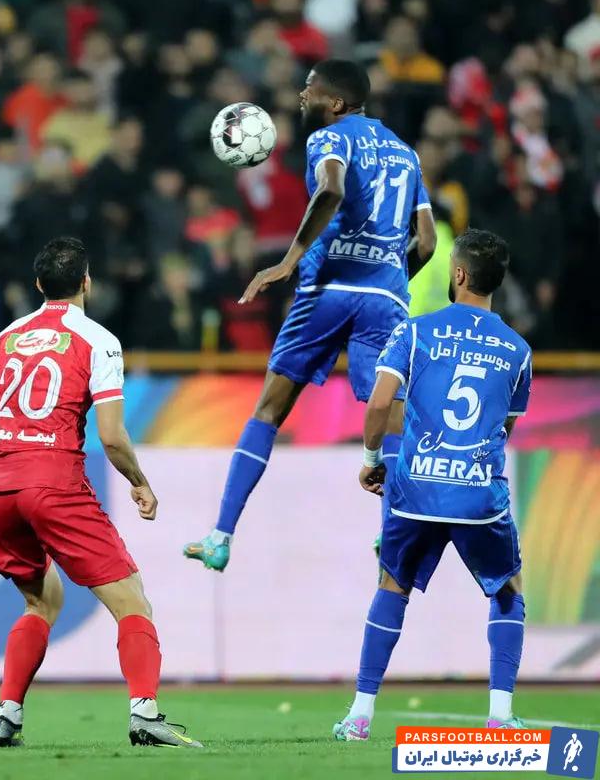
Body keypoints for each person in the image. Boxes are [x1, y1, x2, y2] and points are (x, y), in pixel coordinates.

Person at [0, 237, 202, 750]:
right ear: (87, 282)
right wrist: (139, 482)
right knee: (131, 601)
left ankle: (7, 715)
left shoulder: (4, 339)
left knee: (41, 602)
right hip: (54, 481)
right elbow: (112, 436)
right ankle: (145, 714)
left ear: (39, 284)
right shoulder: (98, 340)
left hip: (0, 488)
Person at [184, 59, 437, 572]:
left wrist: (288, 261)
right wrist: (387, 278)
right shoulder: (407, 154)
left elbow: (332, 189)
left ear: (336, 103)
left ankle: (220, 536)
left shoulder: (329, 138)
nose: (302, 95)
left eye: (310, 89)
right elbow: (427, 241)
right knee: (390, 418)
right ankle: (393, 535)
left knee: (269, 410)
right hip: (385, 297)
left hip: (326, 288)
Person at [332, 229, 531, 739]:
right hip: (478, 494)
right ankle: (501, 716)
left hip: (416, 487)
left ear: (458, 274)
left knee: (391, 586)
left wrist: (372, 459)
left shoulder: (416, 331)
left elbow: (380, 403)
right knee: (507, 590)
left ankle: (359, 715)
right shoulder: (518, 350)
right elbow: (503, 426)